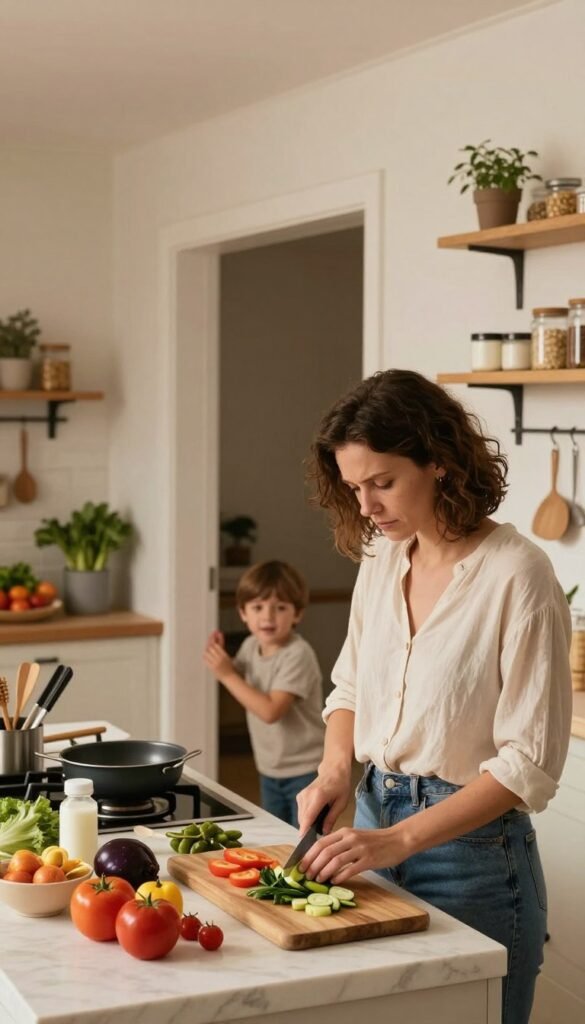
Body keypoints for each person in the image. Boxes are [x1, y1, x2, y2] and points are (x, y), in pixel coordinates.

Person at [296, 368, 572, 1024]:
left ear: (440, 463)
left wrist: (398, 841)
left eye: (382, 483)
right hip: (369, 827)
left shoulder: (517, 574)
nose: (365, 507)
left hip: (474, 861)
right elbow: (351, 686)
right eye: (353, 487)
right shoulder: (383, 561)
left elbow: (527, 764)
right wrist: (337, 769)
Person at [204, 559, 324, 827]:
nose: (268, 616)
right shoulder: (250, 645)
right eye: (257, 607)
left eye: (280, 608)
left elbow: (271, 711)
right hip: (269, 767)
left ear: (298, 614)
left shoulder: (297, 655)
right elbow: (241, 680)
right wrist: (224, 660)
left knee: (307, 843)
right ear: (243, 613)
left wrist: (227, 674)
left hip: (306, 770)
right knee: (277, 837)